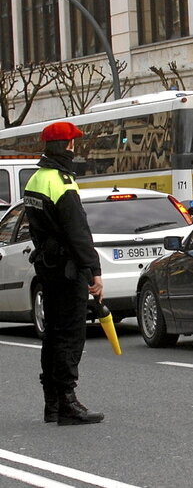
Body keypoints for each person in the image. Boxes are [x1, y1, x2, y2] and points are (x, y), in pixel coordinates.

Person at [24, 121, 105, 425]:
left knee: (53, 334)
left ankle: (53, 403)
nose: (76, 147)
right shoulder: (62, 183)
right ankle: (69, 402)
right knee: (71, 335)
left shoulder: (35, 180)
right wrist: (94, 271)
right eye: (74, 142)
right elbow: (78, 233)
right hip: (70, 270)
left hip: (47, 266)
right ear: (67, 146)